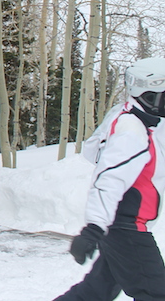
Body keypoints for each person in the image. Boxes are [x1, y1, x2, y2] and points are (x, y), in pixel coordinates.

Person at [55, 57, 165, 301]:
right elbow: (108, 180)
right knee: (156, 293)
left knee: (96, 291)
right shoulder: (133, 132)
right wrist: (93, 228)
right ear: (147, 95)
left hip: (118, 227)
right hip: (127, 228)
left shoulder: (130, 115)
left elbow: (92, 149)